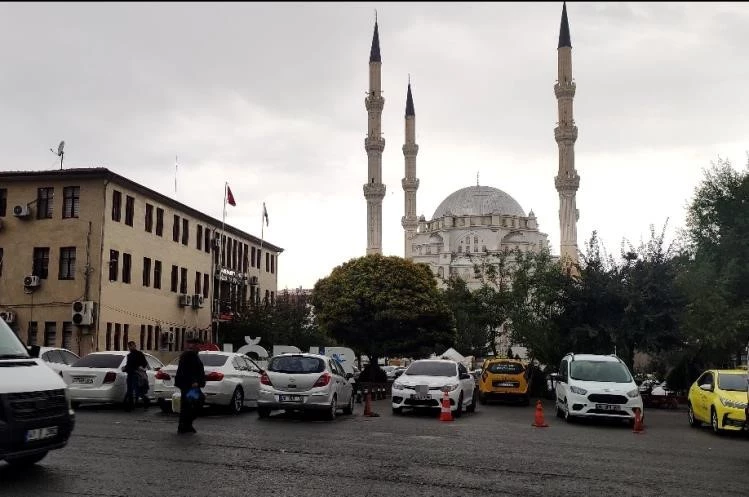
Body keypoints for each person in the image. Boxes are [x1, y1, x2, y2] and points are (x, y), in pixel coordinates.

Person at [174, 338, 206, 434]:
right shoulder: (189, 355)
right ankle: (185, 425)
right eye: (198, 344)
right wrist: (193, 381)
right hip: (189, 385)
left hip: (189, 384)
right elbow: (187, 370)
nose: (199, 347)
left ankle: (185, 425)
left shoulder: (193, 355)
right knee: (196, 402)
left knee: (188, 404)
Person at [122, 341, 149, 411]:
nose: (130, 347)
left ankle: (144, 401)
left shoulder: (139, 354)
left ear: (134, 346)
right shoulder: (130, 355)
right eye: (129, 346)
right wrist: (126, 368)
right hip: (131, 374)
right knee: (130, 390)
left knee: (137, 390)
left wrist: (139, 367)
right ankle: (130, 406)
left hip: (136, 375)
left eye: (131, 346)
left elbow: (144, 363)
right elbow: (129, 365)